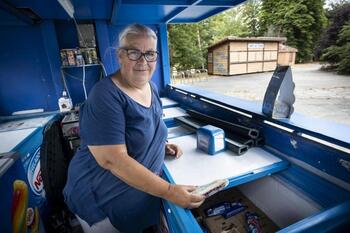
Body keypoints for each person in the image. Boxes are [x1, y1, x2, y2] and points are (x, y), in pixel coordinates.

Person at [63, 23, 205, 233]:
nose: (143, 61)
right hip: (102, 200)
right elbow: (112, 159)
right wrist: (168, 190)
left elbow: (149, 125)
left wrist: (161, 144)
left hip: (137, 197)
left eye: (149, 54)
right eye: (134, 52)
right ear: (120, 55)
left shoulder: (151, 87)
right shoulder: (105, 95)